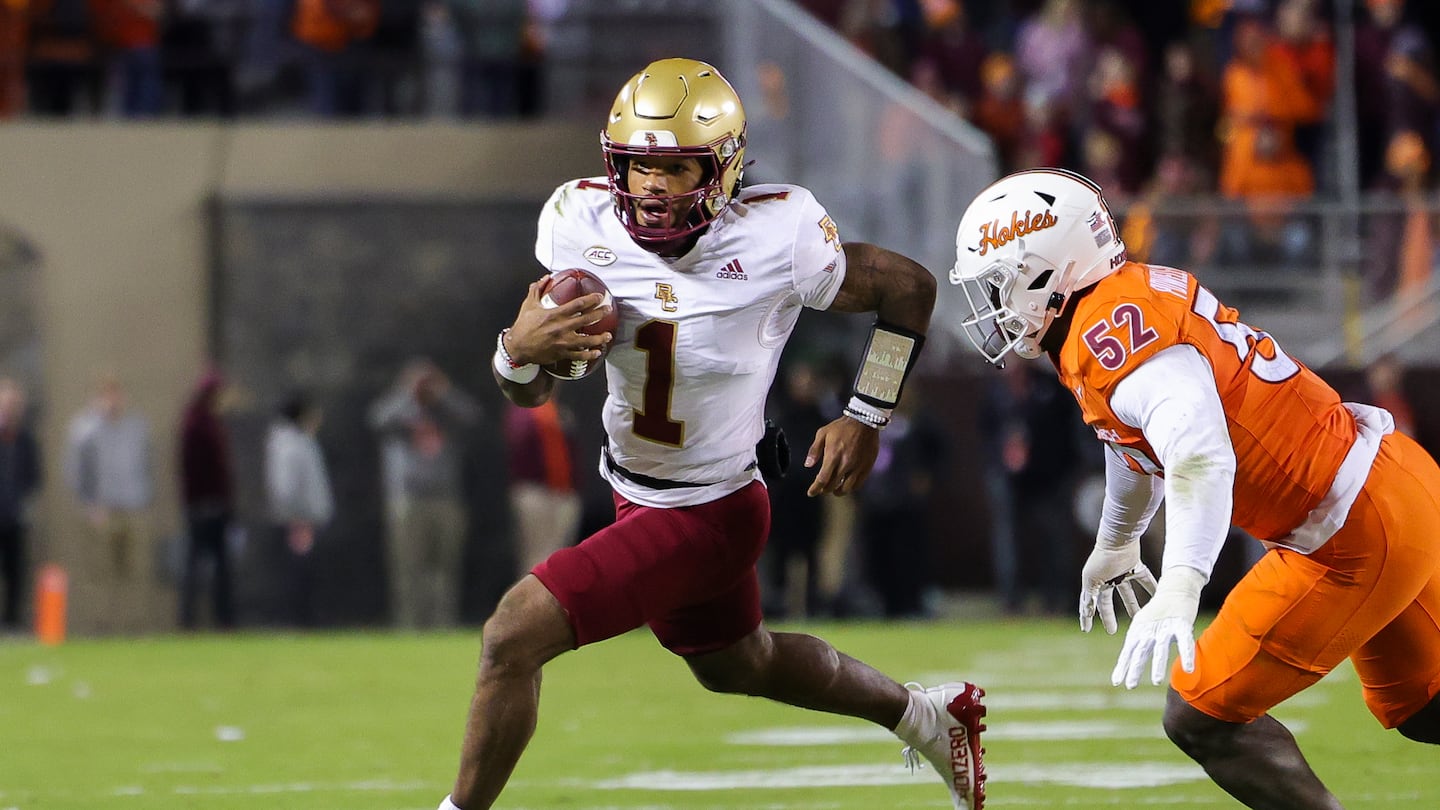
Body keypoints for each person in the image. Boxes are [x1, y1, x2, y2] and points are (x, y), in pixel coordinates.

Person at [436, 58, 986, 810]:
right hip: (635, 493)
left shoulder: (777, 233)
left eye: (675, 168)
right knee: (740, 665)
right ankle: (926, 715)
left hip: (711, 511)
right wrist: (514, 351)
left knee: (511, 636)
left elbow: (910, 289)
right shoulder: (580, 222)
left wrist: (866, 413)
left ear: (722, 169)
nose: (652, 189)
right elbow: (527, 389)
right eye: (636, 169)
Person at [948, 167, 1440, 809]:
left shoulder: (1111, 333)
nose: (992, 305)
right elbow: (1132, 443)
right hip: (1394, 480)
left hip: (1348, 531)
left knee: (1199, 715)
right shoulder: (1114, 302)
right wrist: (1120, 539)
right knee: (1428, 708)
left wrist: (1182, 583)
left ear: (1047, 268)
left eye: (997, 282)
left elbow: (1199, 453)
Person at [370, 356, 479, 628]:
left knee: (444, 568)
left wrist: (444, 391)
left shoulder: (447, 413)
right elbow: (376, 419)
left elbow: (472, 416)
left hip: (445, 499)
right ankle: (410, 625)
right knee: (409, 568)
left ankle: (442, 624)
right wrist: (407, 392)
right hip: (408, 501)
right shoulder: (399, 414)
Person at [64, 373, 153, 631]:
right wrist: (89, 505)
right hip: (101, 510)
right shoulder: (85, 430)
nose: (114, 401)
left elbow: (146, 466)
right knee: (101, 573)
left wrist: (145, 499)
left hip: (133, 506)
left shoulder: (136, 427)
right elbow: (75, 471)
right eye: (108, 395)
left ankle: (133, 627)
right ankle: (102, 628)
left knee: (134, 571)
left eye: (117, 394)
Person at [265, 392, 334, 626]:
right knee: (298, 577)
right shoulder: (289, 444)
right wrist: (297, 519)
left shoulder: (301, 441)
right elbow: (286, 488)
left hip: (307, 520)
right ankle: (297, 622)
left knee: (307, 576)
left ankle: (306, 620)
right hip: (299, 522)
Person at [178, 369, 236, 630]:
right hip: (202, 506)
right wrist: (199, 501)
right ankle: (189, 620)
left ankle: (222, 619)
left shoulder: (210, 422)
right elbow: (192, 468)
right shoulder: (196, 424)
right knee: (197, 566)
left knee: (220, 568)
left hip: (216, 504)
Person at [502, 395, 580, 576]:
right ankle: (531, 602)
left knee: (559, 554)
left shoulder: (560, 411)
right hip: (534, 491)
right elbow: (519, 442)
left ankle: (554, 602)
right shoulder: (521, 410)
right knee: (535, 555)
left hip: (563, 491)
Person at [0, 378, 40, 631]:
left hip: (15, 515)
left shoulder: (25, 439)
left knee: (16, 573)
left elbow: (34, 475)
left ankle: (12, 623)